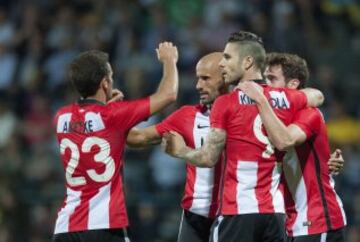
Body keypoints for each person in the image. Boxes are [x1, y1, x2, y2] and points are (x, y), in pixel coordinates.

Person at [162, 31, 323, 242]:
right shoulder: (286, 97)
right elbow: (317, 96)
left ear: (247, 62)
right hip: (274, 213)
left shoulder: (225, 102)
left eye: (228, 57)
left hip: (237, 211)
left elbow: (208, 158)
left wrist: (180, 150)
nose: (222, 64)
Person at [52, 42, 179, 242]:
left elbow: (90, 124)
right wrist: (169, 60)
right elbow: (168, 94)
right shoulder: (112, 116)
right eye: (110, 76)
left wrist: (108, 106)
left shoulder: (61, 117)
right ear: (104, 83)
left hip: (66, 228)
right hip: (104, 226)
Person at [238, 52, 346, 242]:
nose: (265, 85)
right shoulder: (263, 117)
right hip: (285, 222)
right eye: (264, 78)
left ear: (293, 85)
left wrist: (261, 100)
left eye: (272, 79)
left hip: (316, 219)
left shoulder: (309, 113)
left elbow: (285, 141)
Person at [126, 52, 227, 242]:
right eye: (198, 79)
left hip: (230, 215)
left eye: (205, 78)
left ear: (226, 77)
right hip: (193, 216)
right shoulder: (186, 116)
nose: (198, 85)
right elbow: (138, 137)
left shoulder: (245, 114)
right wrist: (111, 118)